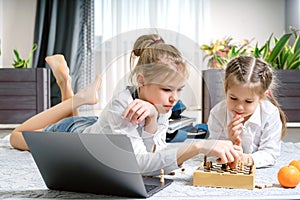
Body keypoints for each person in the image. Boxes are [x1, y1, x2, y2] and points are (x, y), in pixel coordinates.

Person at [10, 34, 239, 176]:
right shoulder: (123, 106)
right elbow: (136, 164)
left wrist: (152, 119)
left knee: (83, 121)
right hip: (79, 135)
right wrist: (196, 148)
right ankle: (76, 97)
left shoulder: (160, 105)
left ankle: (66, 85)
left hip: (100, 128)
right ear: (141, 80)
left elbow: (153, 150)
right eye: (167, 89)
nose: (174, 98)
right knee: (17, 137)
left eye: (178, 90)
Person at [207, 55, 286, 168]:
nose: (239, 107)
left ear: (262, 97)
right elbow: (213, 149)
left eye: (248, 101)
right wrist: (229, 143)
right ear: (225, 87)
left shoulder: (270, 113)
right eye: (233, 98)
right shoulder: (217, 114)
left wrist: (244, 158)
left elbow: (270, 153)